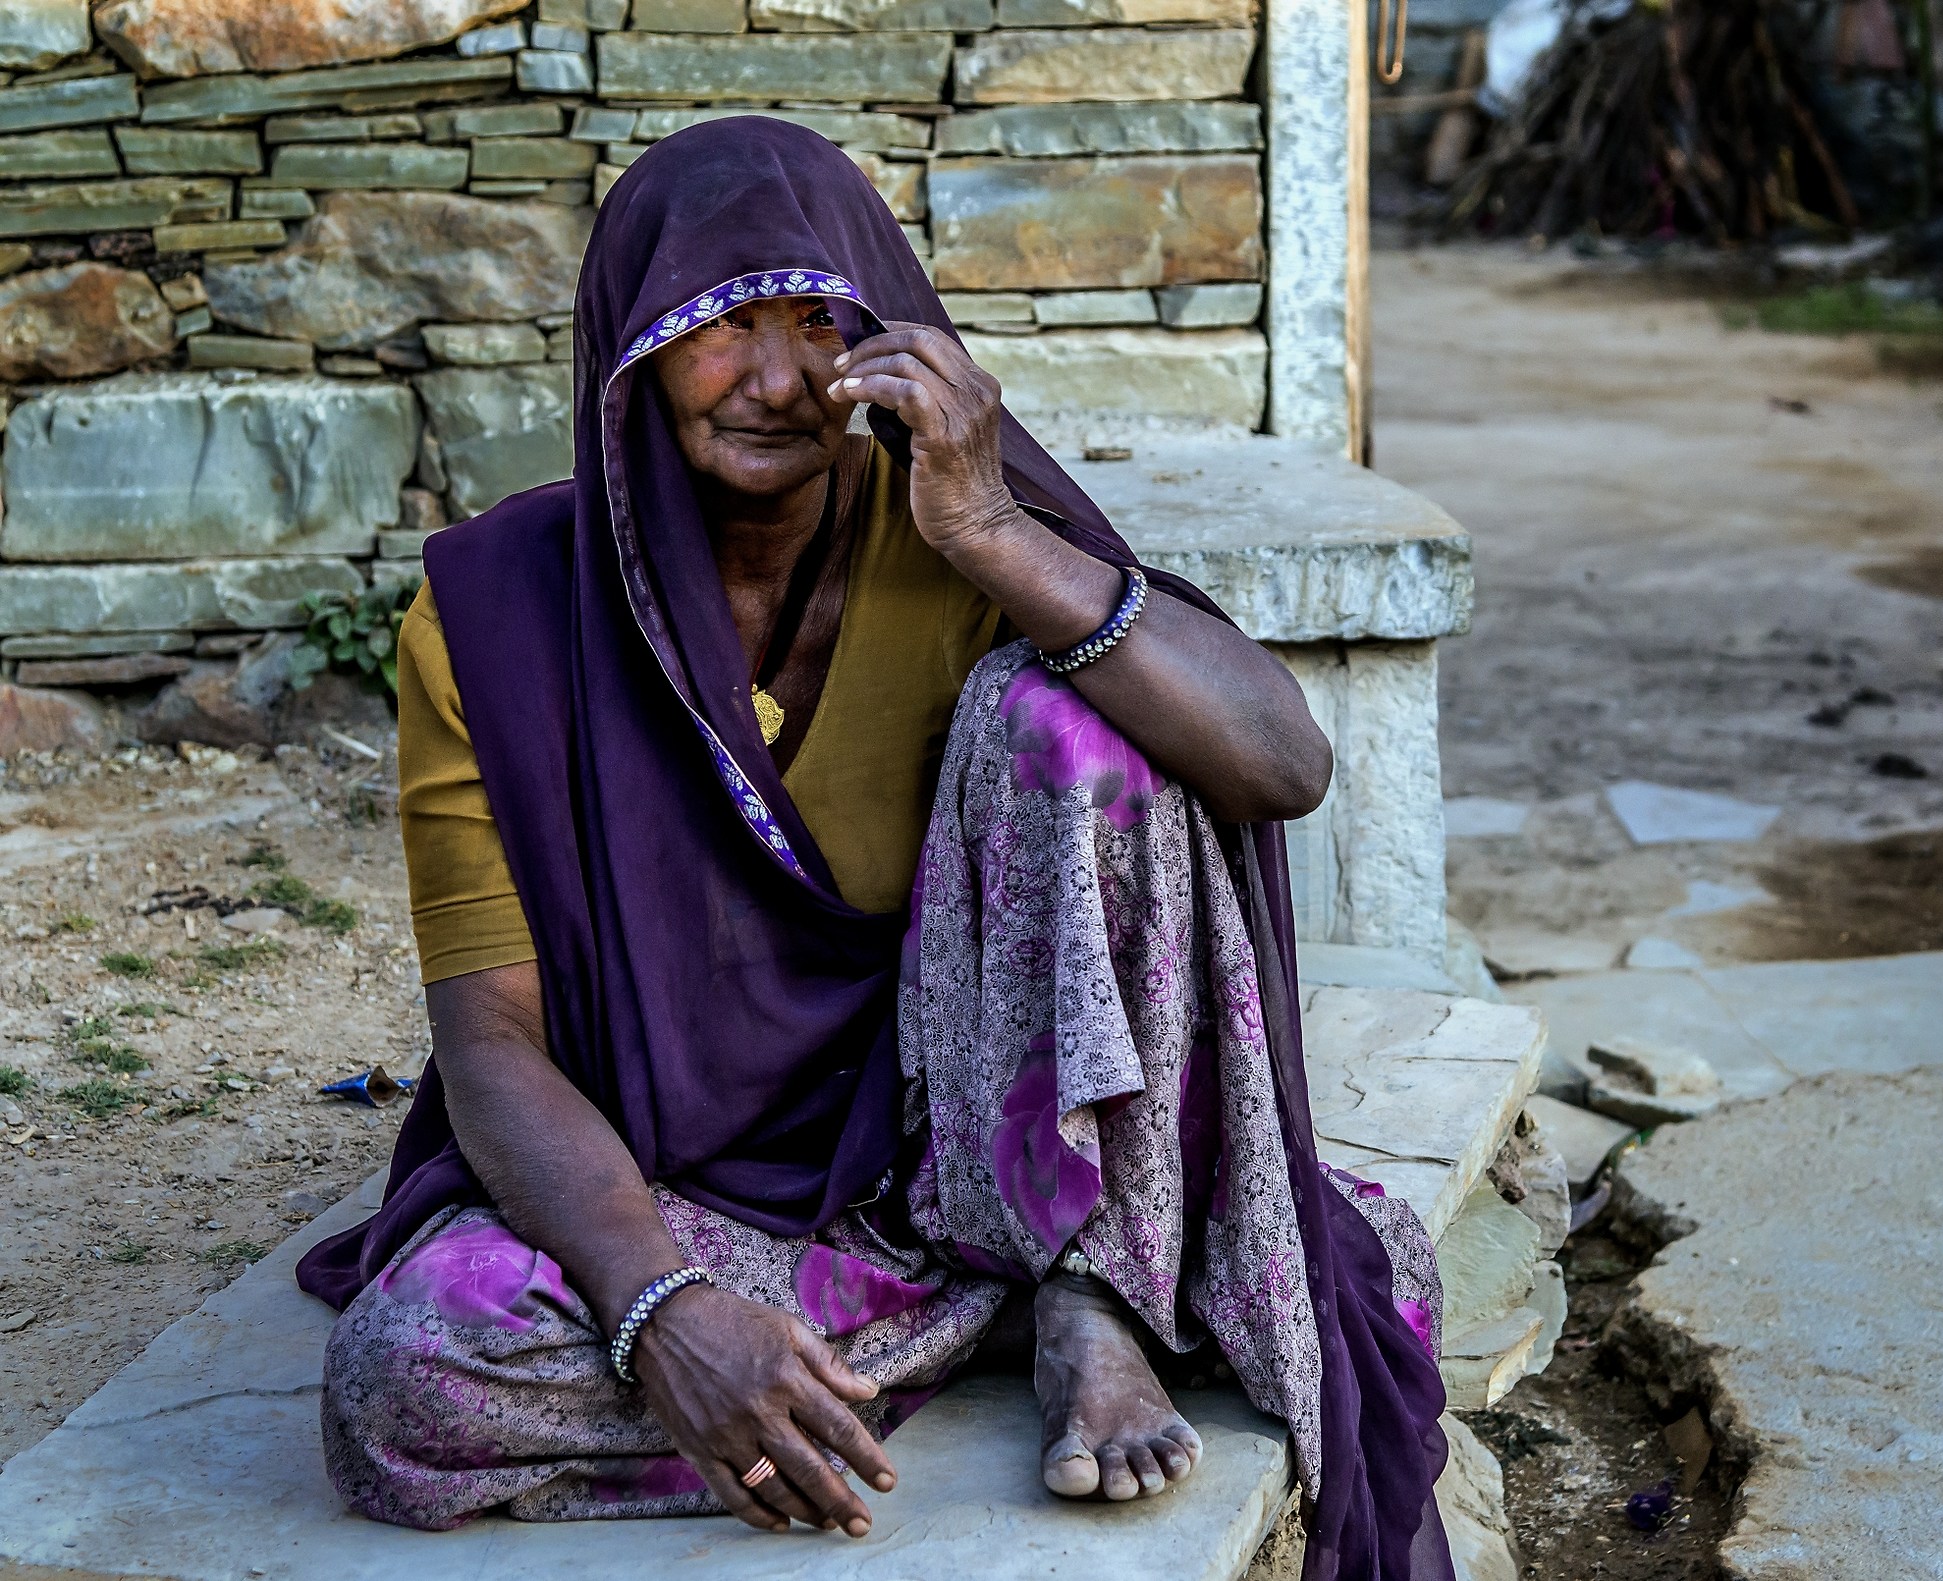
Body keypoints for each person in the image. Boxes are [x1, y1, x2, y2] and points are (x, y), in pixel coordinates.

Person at [295, 118, 1454, 1581]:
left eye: (817, 322)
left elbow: (1282, 761)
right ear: (632, 345)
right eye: (720, 325)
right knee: (407, 1375)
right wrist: (664, 1310)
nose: (777, 380)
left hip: (974, 1152)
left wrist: (990, 529)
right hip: (693, 1189)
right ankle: (999, 1317)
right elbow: (491, 1041)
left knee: (1078, 722)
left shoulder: (947, 533)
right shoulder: (493, 616)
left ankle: (1085, 1283)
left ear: (885, 336)